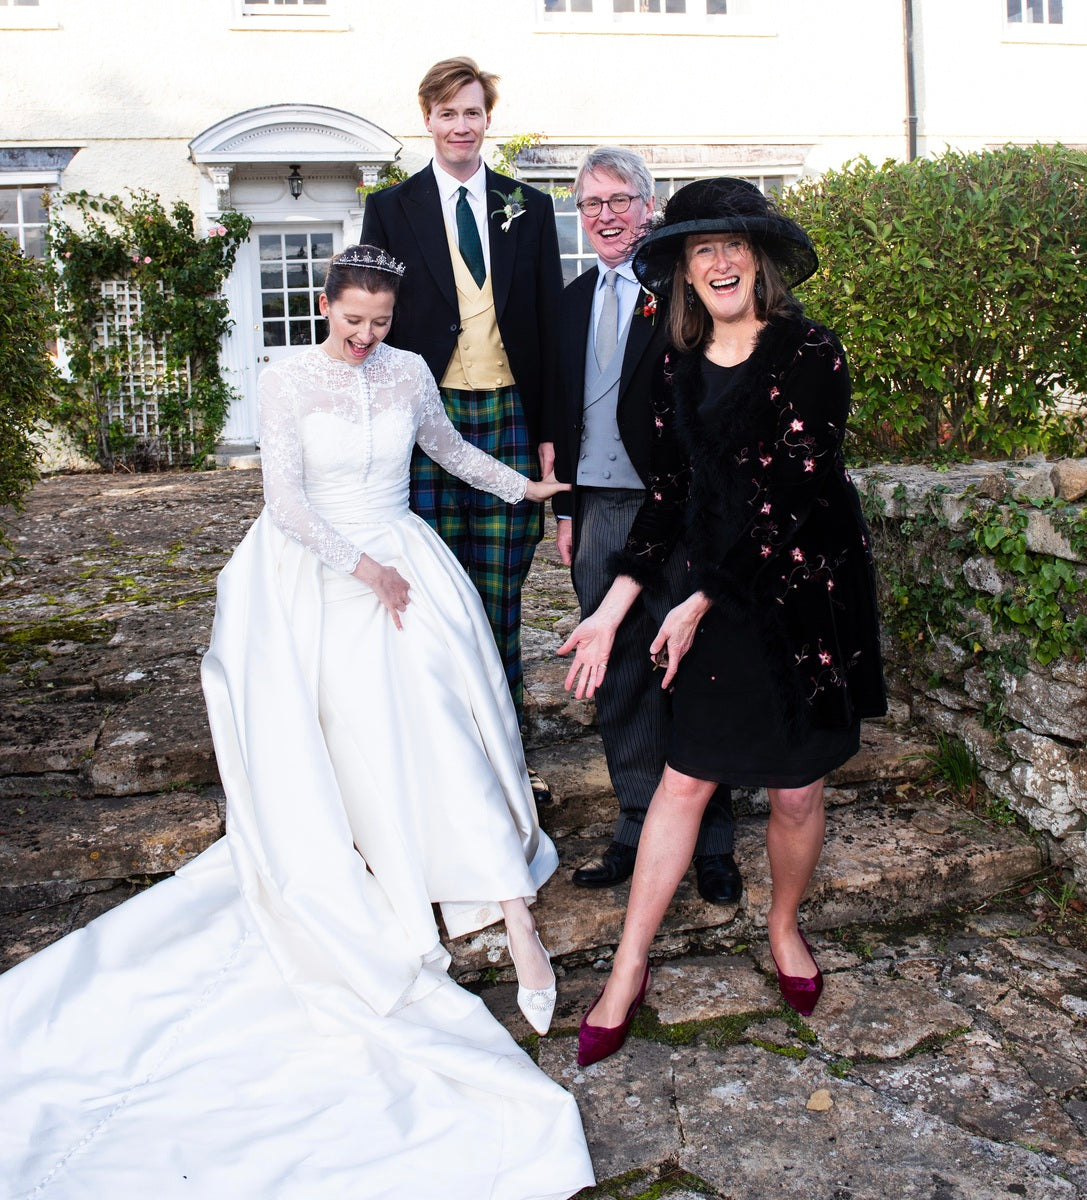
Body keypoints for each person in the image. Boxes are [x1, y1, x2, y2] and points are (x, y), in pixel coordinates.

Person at [0, 246, 595, 1199]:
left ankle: (510, 907)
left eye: (379, 323)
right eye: (352, 321)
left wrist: (521, 487)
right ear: (326, 307)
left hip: (404, 557)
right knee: (373, 738)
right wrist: (363, 569)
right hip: (326, 572)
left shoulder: (407, 371)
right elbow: (283, 502)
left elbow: (445, 449)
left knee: (447, 718)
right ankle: (421, 876)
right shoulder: (286, 381)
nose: (365, 338)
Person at [558, 179, 886, 1067]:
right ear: (684, 270)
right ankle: (627, 967)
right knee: (684, 779)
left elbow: (792, 495)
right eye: (702, 248)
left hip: (803, 596)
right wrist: (613, 607)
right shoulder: (674, 364)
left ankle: (782, 926)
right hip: (711, 593)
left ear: (759, 258)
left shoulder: (810, 351)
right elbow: (668, 497)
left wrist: (698, 596)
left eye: (733, 243)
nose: (719, 261)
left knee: (796, 790)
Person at [361, 58, 563, 771]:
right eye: (447, 113)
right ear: (427, 119)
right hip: (425, 420)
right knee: (436, 587)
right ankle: (443, 742)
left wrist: (549, 434)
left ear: (487, 119)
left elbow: (546, 322)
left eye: (471, 112)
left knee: (501, 585)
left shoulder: (527, 206)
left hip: (509, 413)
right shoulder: (391, 208)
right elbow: (372, 317)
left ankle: (503, 738)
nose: (460, 126)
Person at [553, 147, 738, 903]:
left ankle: (712, 838)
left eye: (619, 200)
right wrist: (566, 508)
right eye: (591, 203)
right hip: (599, 508)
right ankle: (636, 823)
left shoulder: (682, 294)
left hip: (679, 509)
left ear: (647, 207)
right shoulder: (570, 301)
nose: (605, 216)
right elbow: (561, 410)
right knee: (621, 672)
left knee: (691, 668)